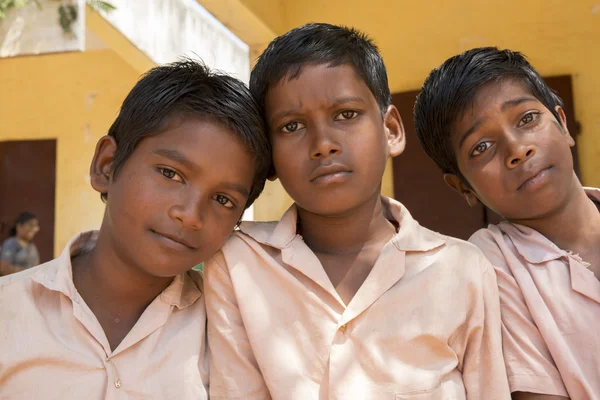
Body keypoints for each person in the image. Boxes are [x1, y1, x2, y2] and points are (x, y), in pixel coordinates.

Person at [205, 23, 510, 399]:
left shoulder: (462, 269)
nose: (323, 144)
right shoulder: (239, 264)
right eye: (292, 125)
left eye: (345, 115)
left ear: (391, 131)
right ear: (268, 157)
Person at [0, 59, 271, 399]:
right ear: (106, 165)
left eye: (223, 199)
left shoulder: (233, 335)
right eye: (170, 174)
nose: (190, 215)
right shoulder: (8, 313)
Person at [414, 47, 600, 399]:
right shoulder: (490, 266)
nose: (517, 149)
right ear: (462, 187)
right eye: (481, 147)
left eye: (527, 119)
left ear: (562, 124)